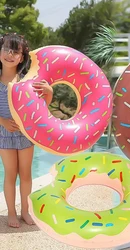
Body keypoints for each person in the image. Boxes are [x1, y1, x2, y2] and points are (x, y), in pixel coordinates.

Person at [0, 33, 53, 228]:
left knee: (26, 174)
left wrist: (49, 92)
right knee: (10, 174)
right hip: (4, 135)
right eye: (6, 48)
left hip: (26, 134)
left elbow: (41, 110)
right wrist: (3, 121)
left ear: (22, 57)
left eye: (15, 51)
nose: (10, 54)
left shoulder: (27, 81)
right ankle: (11, 213)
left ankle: (25, 211)